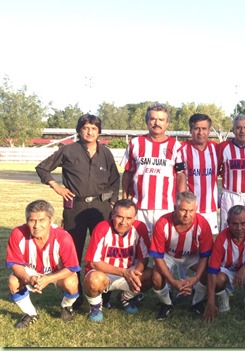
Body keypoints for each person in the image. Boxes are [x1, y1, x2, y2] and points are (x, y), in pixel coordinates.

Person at [36, 114, 120, 309]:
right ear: (79, 130)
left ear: (99, 131)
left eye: (94, 128)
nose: (89, 132)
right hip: (75, 206)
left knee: (102, 252)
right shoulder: (68, 150)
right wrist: (57, 187)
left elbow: (115, 180)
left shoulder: (105, 152)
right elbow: (42, 168)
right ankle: (75, 296)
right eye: (86, 128)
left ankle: (103, 294)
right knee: (73, 251)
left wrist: (112, 203)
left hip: (101, 207)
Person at [6, 200, 80, 328]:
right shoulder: (18, 233)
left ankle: (66, 306)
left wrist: (49, 279)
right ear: (26, 221)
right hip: (31, 271)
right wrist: (28, 278)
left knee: (72, 281)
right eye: (32, 220)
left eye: (41, 220)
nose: (36, 225)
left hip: (55, 271)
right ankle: (30, 313)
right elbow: (14, 263)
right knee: (13, 281)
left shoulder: (63, 237)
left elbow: (72, 267)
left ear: (50, 220)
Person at [83, 199, 153, 322]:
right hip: (103, 273)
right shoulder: (102, 228)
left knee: (153, 275)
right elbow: (94, 262)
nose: (123, 222)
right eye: (119, 217)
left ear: (134, 218)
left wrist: (135, 273)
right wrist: (123, 272)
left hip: (128, 272)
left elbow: (144, 258)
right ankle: (95, 306)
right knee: (93, 280)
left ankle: (125, 298)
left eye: (129, 218)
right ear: (112, 215)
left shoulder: (140, 227)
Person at [149, 191, 214, 320]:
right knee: (156, 276)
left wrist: (195, 279)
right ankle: (167, 303)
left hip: (192, 256)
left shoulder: (202, 223)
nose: (187, 215)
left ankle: (197, 302)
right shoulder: (163, 223)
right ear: (175, 208)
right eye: (183, 210)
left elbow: (204, 256)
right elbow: (157, 256)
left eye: (191, 210)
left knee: (209, 272)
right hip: (169, 255)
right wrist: (173, 281)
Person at [121, 103, 183, 236]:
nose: (157, 123)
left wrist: (181, 201)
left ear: (167, 123)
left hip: (166, 208)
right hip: (139, 206)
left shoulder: (176, 146)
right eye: (153, 119)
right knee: (138, 248)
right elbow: (128, 172)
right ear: (147, 121)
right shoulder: (135, 143)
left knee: (164, 247)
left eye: (161, 120)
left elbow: (181, 175)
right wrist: (124, 198)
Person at [195, 205, 245, 322]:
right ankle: (223, 298)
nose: (239, 228)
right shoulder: (222, 238)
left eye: (243, 223)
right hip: (227, 271)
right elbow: (212, 271)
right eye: (234, 223)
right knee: (218, 278)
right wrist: (211, 302)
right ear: (228, 223)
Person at [177, 113, 220, 235]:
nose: (201, 132)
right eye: (197, 128)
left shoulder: (216, 148)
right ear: (190, 130)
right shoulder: (181, 149)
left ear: (209, 130)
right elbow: (179, 176)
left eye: (204, 129)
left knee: (210, 244)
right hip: (189, 208)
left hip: (210, 209)